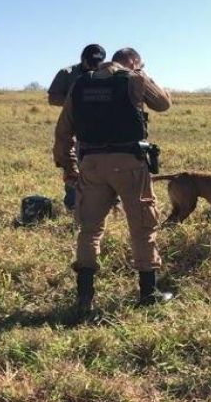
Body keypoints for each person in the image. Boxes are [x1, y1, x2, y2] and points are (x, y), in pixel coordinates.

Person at [53, 47, 172, 318]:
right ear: (132, 61)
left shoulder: (81, 83)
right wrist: (142, 73)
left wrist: (69, 167)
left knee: (89, 229)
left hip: (91, 163)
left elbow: (63, 131)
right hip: (128, 161)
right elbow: (163, 103)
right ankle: (148, 293)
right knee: (142, 226)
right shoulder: (133, 78)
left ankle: (85, 298)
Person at [48, 44, 107, 210]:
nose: (94, 66)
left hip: (99, 126)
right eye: (91, 62)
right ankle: (73, 203)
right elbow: (52, 98)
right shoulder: (67, 73)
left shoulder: (106, 73)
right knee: (72, 161)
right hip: (74, 125)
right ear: (82, 59)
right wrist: (77, 99)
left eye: (98, 62)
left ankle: (104, 202)